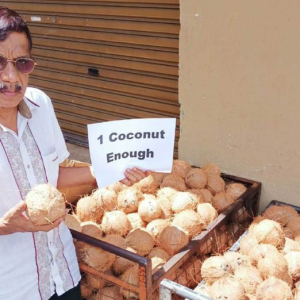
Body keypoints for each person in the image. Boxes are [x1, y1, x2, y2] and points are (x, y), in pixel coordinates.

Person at [0, 7, 147, 300]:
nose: (11, 75)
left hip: (62, 274)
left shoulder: (40, 105)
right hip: (14, 287)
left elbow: (52, 178)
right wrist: (3, 226)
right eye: (0, 62)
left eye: (22, 63)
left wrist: (107, 171)